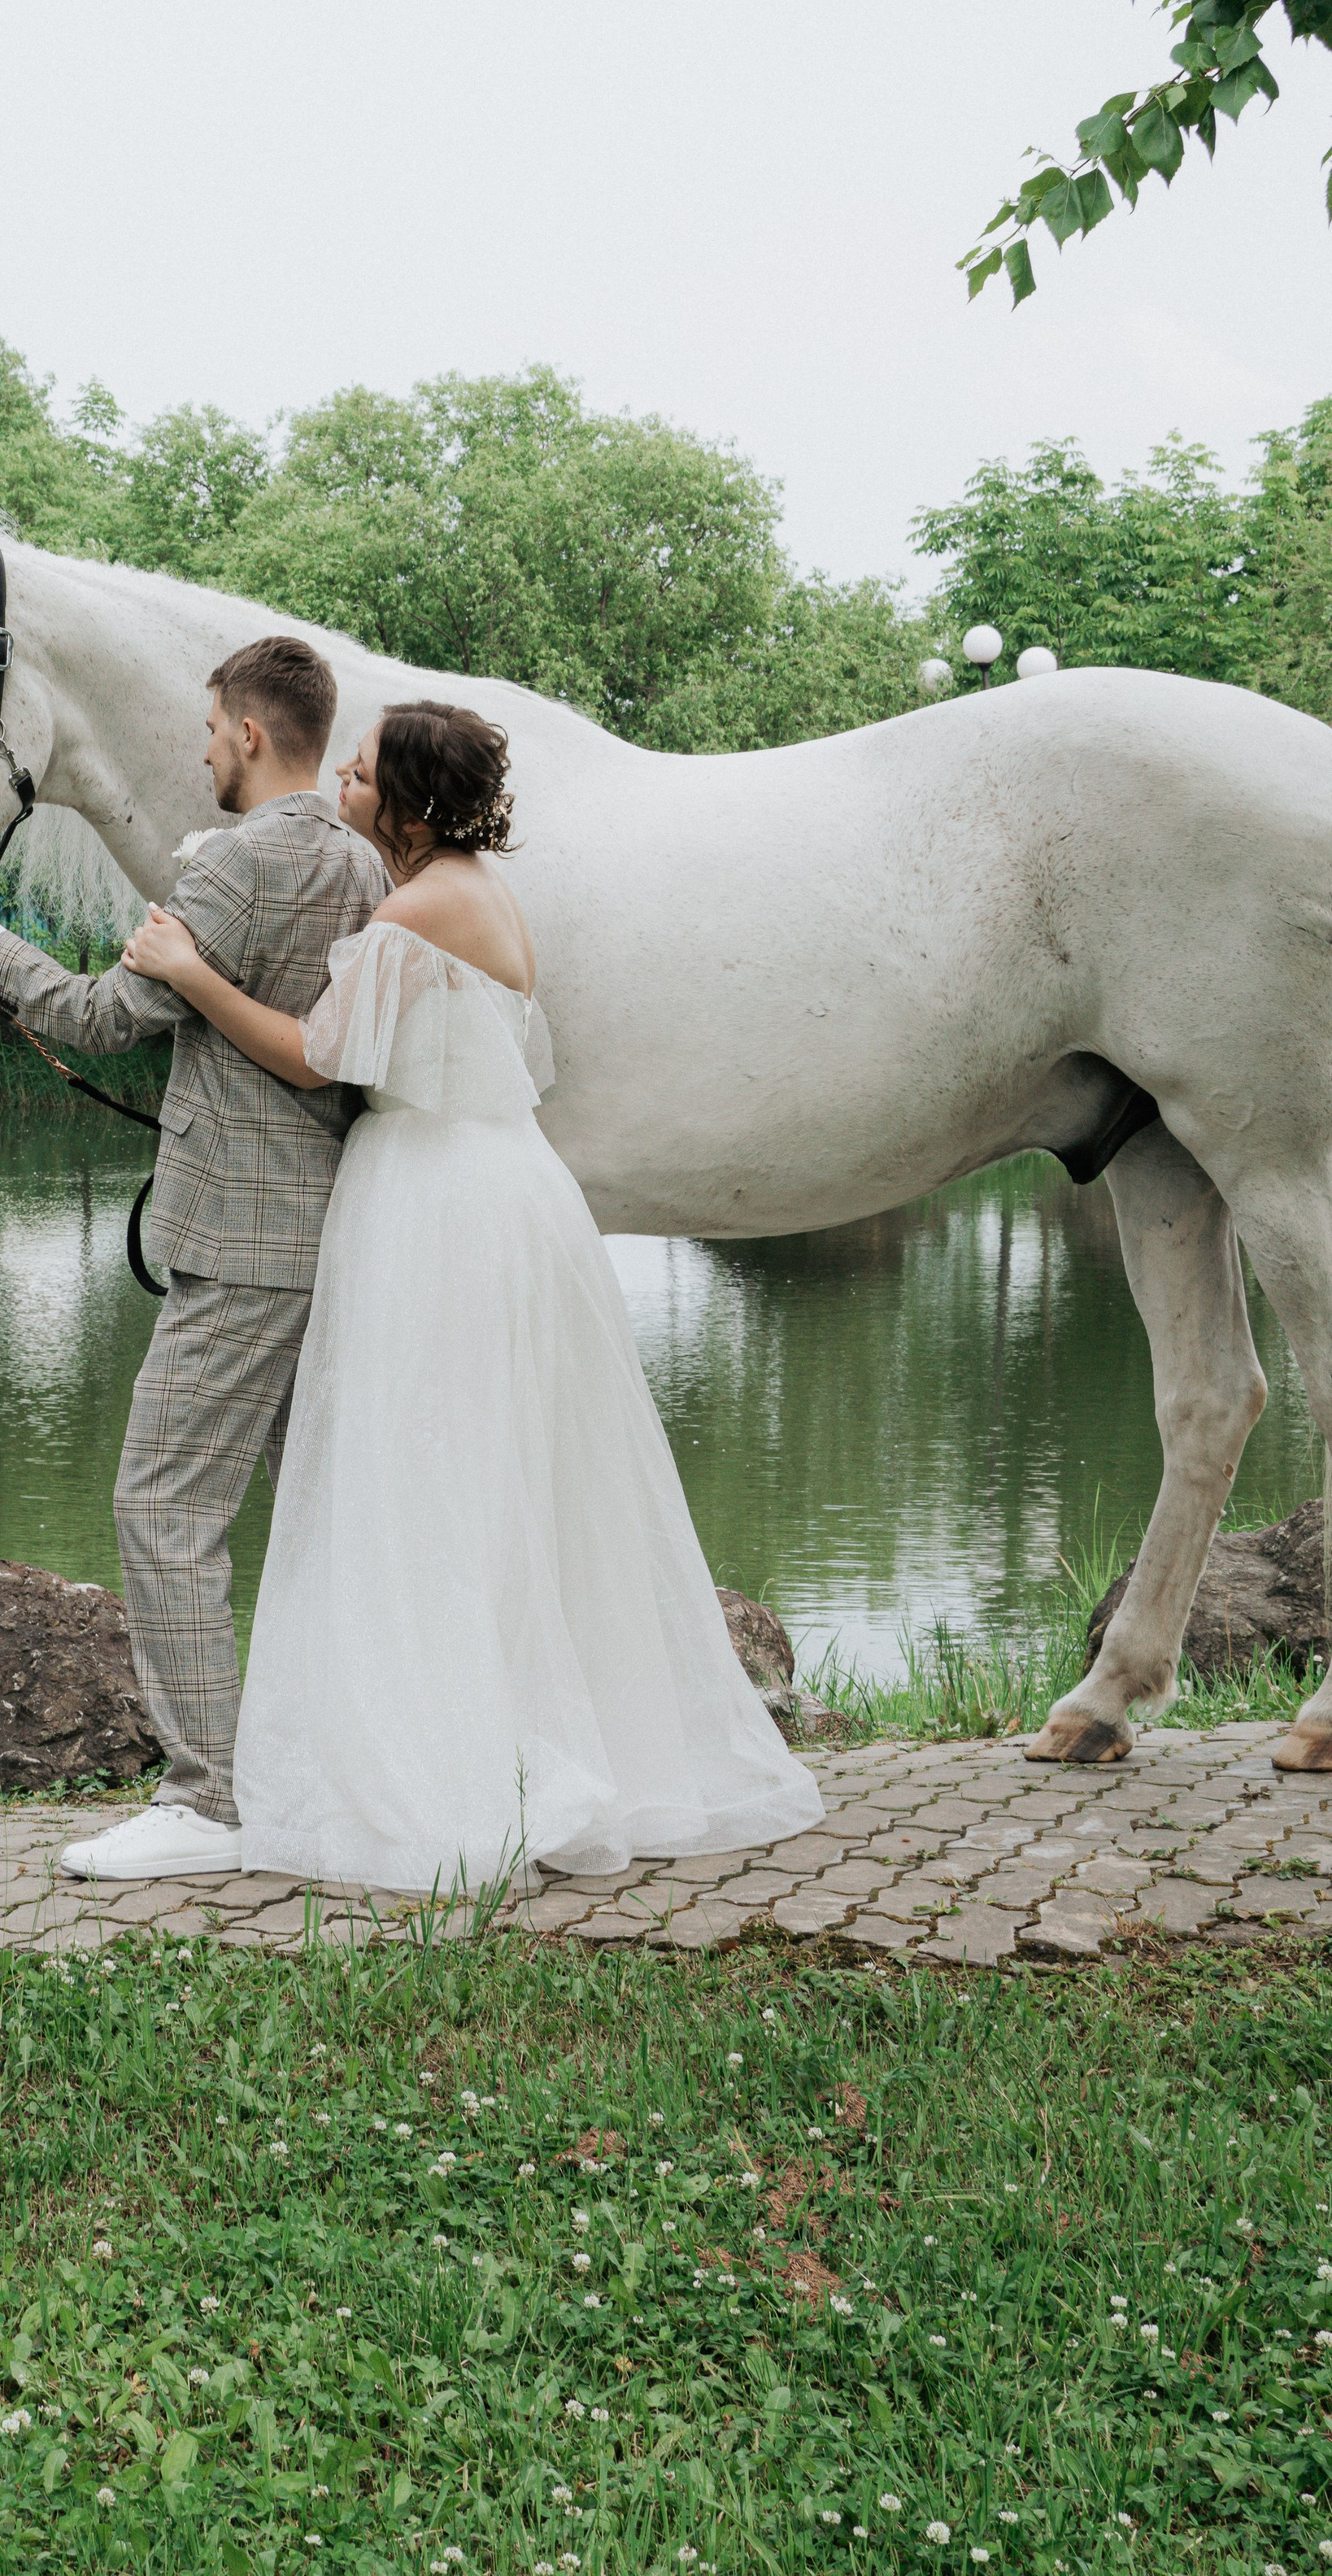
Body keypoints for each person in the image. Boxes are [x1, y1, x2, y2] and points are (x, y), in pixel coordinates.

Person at [121, 700, 822, 1889]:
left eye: (357, 772)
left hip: (434, 1194)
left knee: (426, 1480)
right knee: (491, 1474)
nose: (339, 782)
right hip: (499, 1179)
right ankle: (495, 1737)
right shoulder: (477, 887)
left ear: (405, 800)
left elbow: (317, 1055)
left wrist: (190, 969)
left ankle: (446, 1770)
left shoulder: (418, 904)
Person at [0, 635, 388, 1882]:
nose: (202, 750)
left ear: (244, 730)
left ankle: (206, 1803)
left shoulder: (238, 864)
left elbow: (98, 1017)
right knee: (320, 1515)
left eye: (210, 729)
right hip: (324, 1230)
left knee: (163, 1508)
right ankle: (331, 1759)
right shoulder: (359, 856)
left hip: (241, 1244)